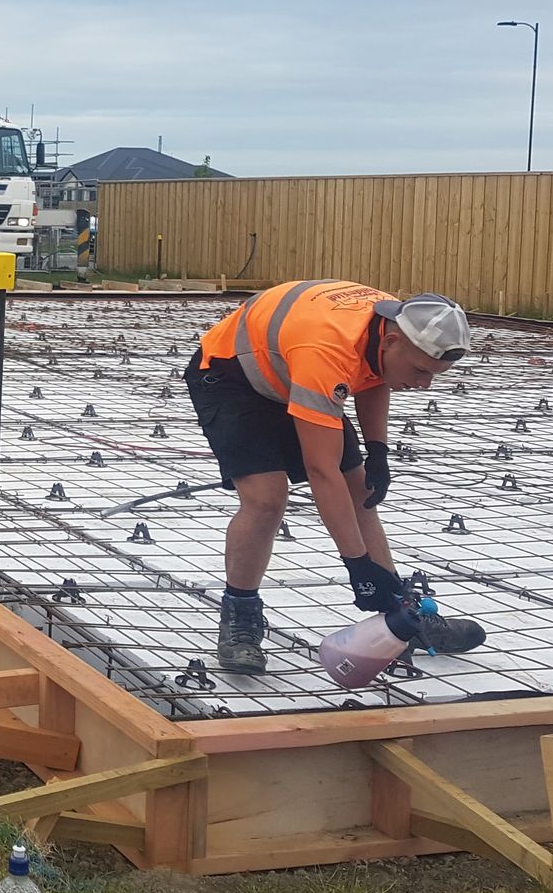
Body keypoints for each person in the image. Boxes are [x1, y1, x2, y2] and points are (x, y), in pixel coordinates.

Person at [184, 281, 487, 673]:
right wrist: (357, 566)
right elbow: (320, 471)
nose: (424, 384)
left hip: (295, 365)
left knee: (360, 488)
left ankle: (401, 615)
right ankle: (240, 618)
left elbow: (375, 374)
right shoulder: (327, 349)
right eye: (420, 371)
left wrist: (377, 449)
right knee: (266, 498)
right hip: (233, 378)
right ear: (393, 340)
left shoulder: (389, 324)